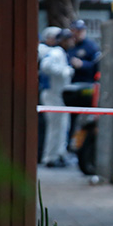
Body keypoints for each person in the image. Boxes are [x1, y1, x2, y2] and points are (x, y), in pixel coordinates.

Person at [39, 29, 75, 167]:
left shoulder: (61, 53)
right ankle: (50, 158)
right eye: (68, 39)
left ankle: (59, 154)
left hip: (59, 96)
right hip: (53, 95)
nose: (71, 41)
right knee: (55, 127)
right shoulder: (56, 52)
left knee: (62, 126)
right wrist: (64, 71)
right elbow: (45, 66)